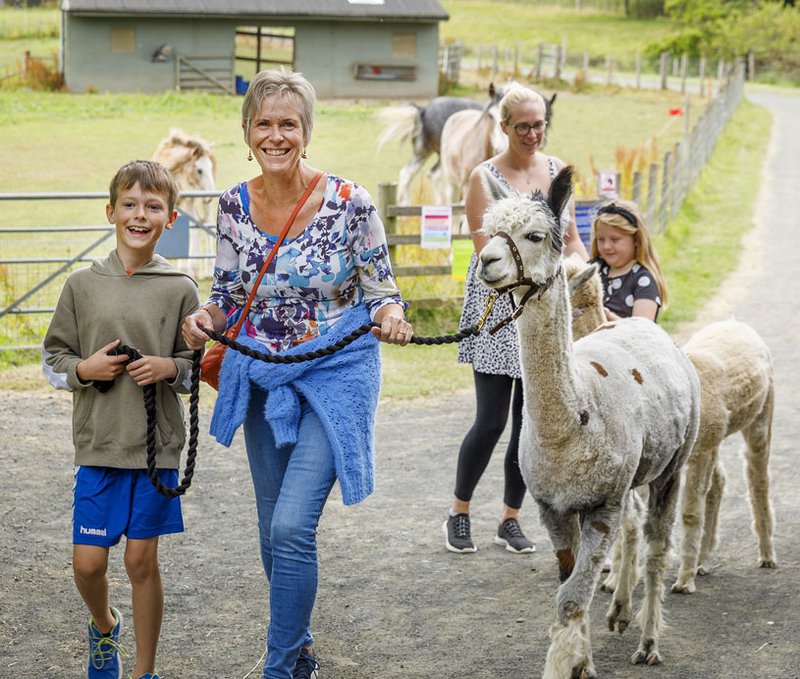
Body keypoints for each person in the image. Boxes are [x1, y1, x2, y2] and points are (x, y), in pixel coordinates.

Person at [180, 68, 411, 679]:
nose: (276, 135)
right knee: (270, 530)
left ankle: (279, 668)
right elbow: (229, 292)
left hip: (339, 371)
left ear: (306, 131)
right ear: (248, 131)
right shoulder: (232, 205)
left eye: (289, 124)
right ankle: (301, 644)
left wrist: (389, 314)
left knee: (291, 523)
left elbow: (381, 287)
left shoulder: (350, 202)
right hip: (262, 373)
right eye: (265, 123)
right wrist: (206, 315)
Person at [41, 160, 201, 679]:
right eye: (129, 205)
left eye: (153, 206)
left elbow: (197, 371)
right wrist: (85, 369)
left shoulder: (180, 288)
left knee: (139, 562)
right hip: (99, 446)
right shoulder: (81, 286)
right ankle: (104, 625)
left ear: (170, 218)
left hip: (155, 449)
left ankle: (144, 670)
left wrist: (168, 367)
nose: (140, 215)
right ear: (110, 212)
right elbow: (53, 360)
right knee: (88, 564)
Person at [445, 84, 588, 555]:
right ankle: (459, 511)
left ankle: (511, 517)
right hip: (498, 305)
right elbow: (485, 248)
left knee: (531, 420)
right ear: (503, 126)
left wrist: (586, 277)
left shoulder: (555, 172)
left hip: (543, 305)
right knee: (490, 420)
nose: (532, 133)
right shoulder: (483, 177)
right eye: (522, 125)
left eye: (539, 123)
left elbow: (567, 242)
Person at [589, 199, 667, 322]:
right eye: (601, 239)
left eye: (615, 239)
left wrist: (608, 317)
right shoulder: (593, 270)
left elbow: (642, 331)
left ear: (636, 240)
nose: (606, 246)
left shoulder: (643, 280)